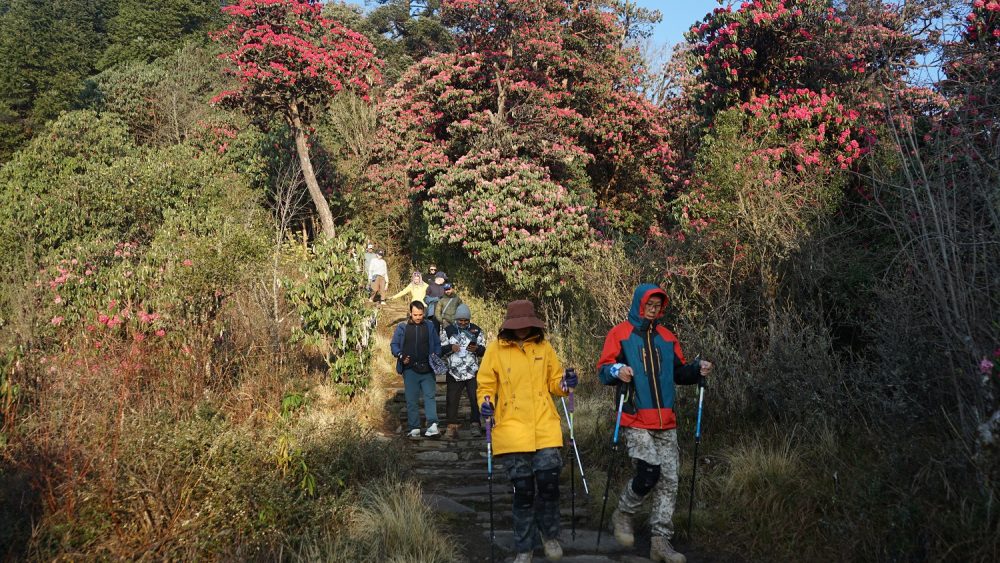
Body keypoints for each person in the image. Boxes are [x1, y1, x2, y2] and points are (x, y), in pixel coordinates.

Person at [596, 283, 713, 563]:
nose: (653, 309)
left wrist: (697, 369)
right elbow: (603, 370)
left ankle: (660, 542)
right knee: (649, 472)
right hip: (635, 417)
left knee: (669, 480)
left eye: (658, 305)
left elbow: (679, 373)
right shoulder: (620, 334)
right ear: (639, 304)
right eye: (649, 304)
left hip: (666, 420)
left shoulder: (667, 337)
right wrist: (618, 370)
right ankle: (623, 513)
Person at [477, 300, 577, 563]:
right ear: (508, 325)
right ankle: (525, 547)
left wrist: (566, 383)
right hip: (511, 430)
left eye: (526, 324)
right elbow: (485, 385)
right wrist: (485, 404)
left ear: (534, 323)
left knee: (549, 485)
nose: (522, 329)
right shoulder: (495, 350)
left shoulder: (544, 347)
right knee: (523, 492)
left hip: (545, 427)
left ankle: (550, 535)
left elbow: (555, 383)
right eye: (517, 325)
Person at [390, 301, 442, 438]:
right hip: (410, 369)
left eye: (420, 314)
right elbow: (394, 345)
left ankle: (432, 425)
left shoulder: (430, 326)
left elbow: (437, 344)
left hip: (428, 368)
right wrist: (401, 356)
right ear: (410, 313)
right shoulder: (402, 327)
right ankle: (414, 428)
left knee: (430, 397)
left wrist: (435, 355)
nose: (418, 317)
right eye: (415, 315)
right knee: (411, 399)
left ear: (424, 313)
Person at [440, 304, 485, 440]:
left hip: (472, 371)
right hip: (454, 372)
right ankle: (451, 426)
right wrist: (450, 347)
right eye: (460, 320)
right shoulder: (448, 330)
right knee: (452, 400)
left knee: (475, 398)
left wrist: (477, 349)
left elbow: (483, 350)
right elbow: (440, 349)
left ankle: (475, 424)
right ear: (456, 319)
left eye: (466, 320)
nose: (463, 323)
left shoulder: (476, 330)